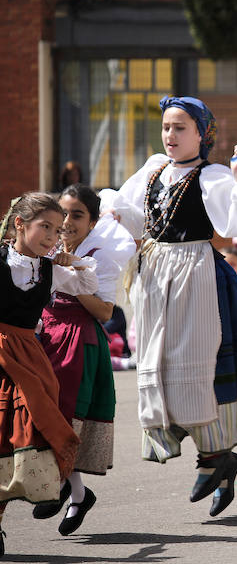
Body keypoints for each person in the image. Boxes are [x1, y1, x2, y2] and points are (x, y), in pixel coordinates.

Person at [98, 96, 237, 518]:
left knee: (194, 370)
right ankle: (217, 458)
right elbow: (126, 214)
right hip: (154, 276)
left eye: (180, 127)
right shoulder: (153, 170)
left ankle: (214, 459)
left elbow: (235, 224)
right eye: (166, 127)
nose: (170, 135)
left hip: (195, 274)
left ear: (202, 133)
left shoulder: (212, 175)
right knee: (159, 366)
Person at [0, 193, 98, 557]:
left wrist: (74, 261)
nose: (52, 237)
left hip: (29, 357)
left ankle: (67, 492)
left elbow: (89, 285)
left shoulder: (50, 270)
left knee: (24, 432)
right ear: (20, 224)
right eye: (45, 227)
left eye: (58, 231)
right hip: (0, 351)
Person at [36, 184, 135, 536]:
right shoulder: (46, 244)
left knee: (64, 418)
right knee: (44, 415)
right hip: (47, 334)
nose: (67, 222)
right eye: (63, 213)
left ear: (92, 221)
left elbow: (106, 311)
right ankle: (75, 491)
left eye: (77, 215)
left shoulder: (98, 255)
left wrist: (77, 279)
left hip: (78, 341)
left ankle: (67, 488)